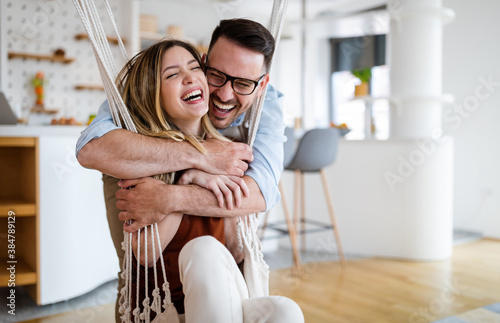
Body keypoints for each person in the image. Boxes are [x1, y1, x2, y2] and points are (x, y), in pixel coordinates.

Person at [76, 19, 302, 322]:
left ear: (261, 85)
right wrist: (196, 162)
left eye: (192, 68)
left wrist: (177, 193)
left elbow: (253, 210)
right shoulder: (141, 153)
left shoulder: (231, 151)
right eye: (216, 76)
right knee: (204, 250)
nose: (223, 94)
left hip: (221, 294)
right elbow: (90, 148)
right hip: (162, 306)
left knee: (286, 310)